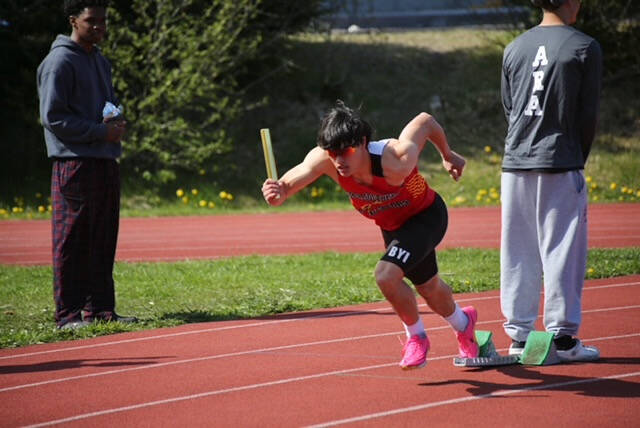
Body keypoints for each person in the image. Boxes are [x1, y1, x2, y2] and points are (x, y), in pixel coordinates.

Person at [261, 101, 479, 370]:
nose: (339, 160)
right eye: (332, 152)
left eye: (347, 151)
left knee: (385, 275)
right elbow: (289, 183)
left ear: (363, 142)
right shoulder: (326, 160)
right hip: (394, 227)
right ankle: (464, 324)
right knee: (429, 289)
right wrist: (278, 191)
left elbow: (424, 121)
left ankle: (417, 338)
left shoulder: (395, 160)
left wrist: (447, 154)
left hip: (426, 216)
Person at [499, 0, 602, 361]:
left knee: (518, 249)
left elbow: (510, 108)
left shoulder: (514, 47)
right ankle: (562, 339)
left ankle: (519, 336)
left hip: (516, 162)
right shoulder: (584, 46)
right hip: (561, 161)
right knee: (562, 249)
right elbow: (587, 114)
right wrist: (578, 157)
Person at [37, 0, 136, 329]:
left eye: (103, 21)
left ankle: (101, 310)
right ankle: (67, 315)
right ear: (73, 21)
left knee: (103, 236)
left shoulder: (100, 61)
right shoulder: (59, 61)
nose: (99, 27)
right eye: (91, 20)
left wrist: (115, 122)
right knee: (73, 239)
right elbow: (53, 118)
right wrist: (98, 132)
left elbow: (103, 105)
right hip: (74, 162)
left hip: (104, 159)